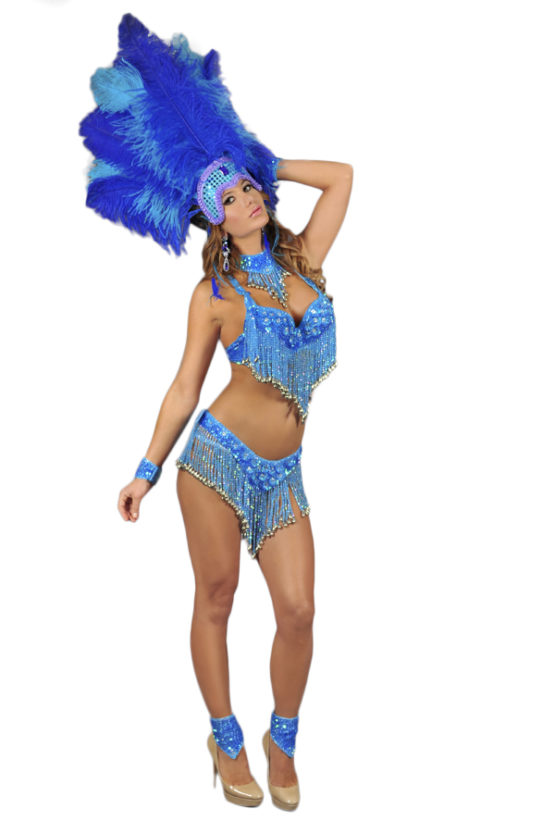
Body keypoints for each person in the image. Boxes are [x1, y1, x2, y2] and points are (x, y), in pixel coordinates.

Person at [80, 14, 352, 811]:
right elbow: (183, 388)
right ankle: (225, 737)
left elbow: (342, 176)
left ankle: (281, 739)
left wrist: (263, 157)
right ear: (214, 218)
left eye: (250, 187)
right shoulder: (214, 294)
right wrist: (143, 470)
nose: (249, 198)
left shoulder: (305, 260)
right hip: (214, 465)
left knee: (298, 610)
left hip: (284, 474)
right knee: (217, 596)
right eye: (230, 196)